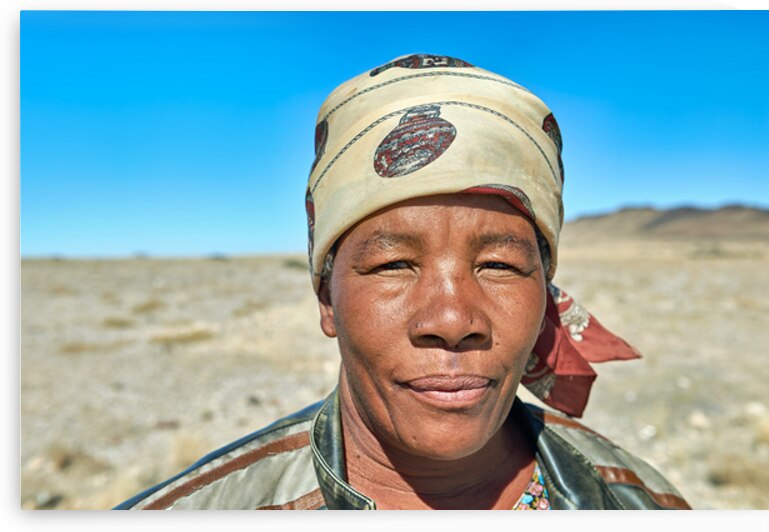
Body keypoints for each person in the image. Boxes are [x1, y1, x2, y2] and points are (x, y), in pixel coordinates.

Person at [115, 54, 690, 510]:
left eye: (499, 265)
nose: (452, 321)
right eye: (393, 264)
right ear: (327, 297)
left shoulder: (634, 501)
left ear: (545, 296)